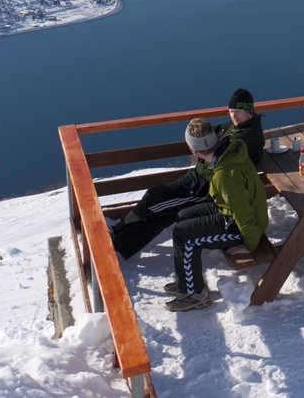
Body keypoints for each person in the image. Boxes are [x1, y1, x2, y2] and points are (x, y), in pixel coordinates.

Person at [109, 119, 268, 311]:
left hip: (240, 227)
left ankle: (194, 294)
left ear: (194, 151)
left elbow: (243, 212)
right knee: (183, 216)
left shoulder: (225, 174)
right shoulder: (225, 152)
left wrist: (250, 244)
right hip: (228, 211)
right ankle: (188, 280)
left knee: (185, 235)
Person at [219, 88, 265, 167]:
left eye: (237, 111)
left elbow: (223, 152)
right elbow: (217, 128)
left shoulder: (249, 132)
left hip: (241, 173)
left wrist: (218, 138)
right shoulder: (238, 122)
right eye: (231, 111)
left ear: (249, 111)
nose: (233, 116)